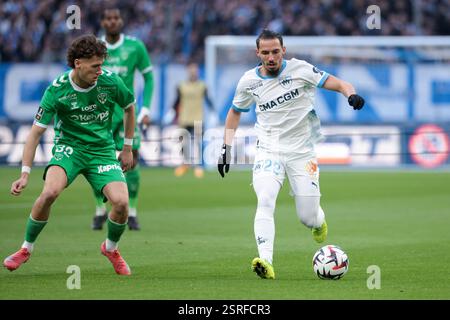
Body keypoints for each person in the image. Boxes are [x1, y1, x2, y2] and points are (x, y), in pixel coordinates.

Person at [217, 29, 364, 279]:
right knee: (265, 199)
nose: (271, 57)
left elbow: (339, 83)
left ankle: (318, 221)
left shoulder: (301, 69)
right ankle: (265, 260)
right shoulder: (248, 82)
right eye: (266, 52)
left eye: (276, 51)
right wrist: (226, 147)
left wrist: (350, 94)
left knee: (307, 216)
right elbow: (235, 112)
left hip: (302, 153)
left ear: (283, 50)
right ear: (258, 53)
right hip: (268, 150)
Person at [3, 35, 136, 275]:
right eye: (95, 66)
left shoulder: (110, 82)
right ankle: (26, 248)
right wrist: (24, 174)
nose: (100, 70)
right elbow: (34, 134)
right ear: (78, 63)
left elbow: (129, 106)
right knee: (50, 192)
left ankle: (110, 248)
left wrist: (127, 147)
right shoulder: (57, 89)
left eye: (101, 65)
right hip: (69, 149)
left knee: (122, 203)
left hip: (101, 151)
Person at [91, 7, 154, 231]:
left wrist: (145, 109)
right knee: (97, 162)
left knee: (132, 160)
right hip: (99, 114)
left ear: (122, 20)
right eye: (108, 18)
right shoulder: (94, 47)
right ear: (102, 22)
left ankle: (132, 210)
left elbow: (148, 77)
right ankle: (100, 209)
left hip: (127, 112)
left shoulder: (135, 46)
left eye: (116, 18)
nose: (113, 22)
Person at [172, 62, 214, 178]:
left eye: (195, 70)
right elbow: (177, 101)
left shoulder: (202, 86)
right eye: (191, 70)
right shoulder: (181, 86)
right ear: (188, 71)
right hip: (184, 118)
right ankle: (185, 164)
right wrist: (171, 112)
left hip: (198, 118)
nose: (193, 72)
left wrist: (213, 111)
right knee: (184, 143)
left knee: (199, 143)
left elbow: (208, 99)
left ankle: (199, 167)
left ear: (197, 72)